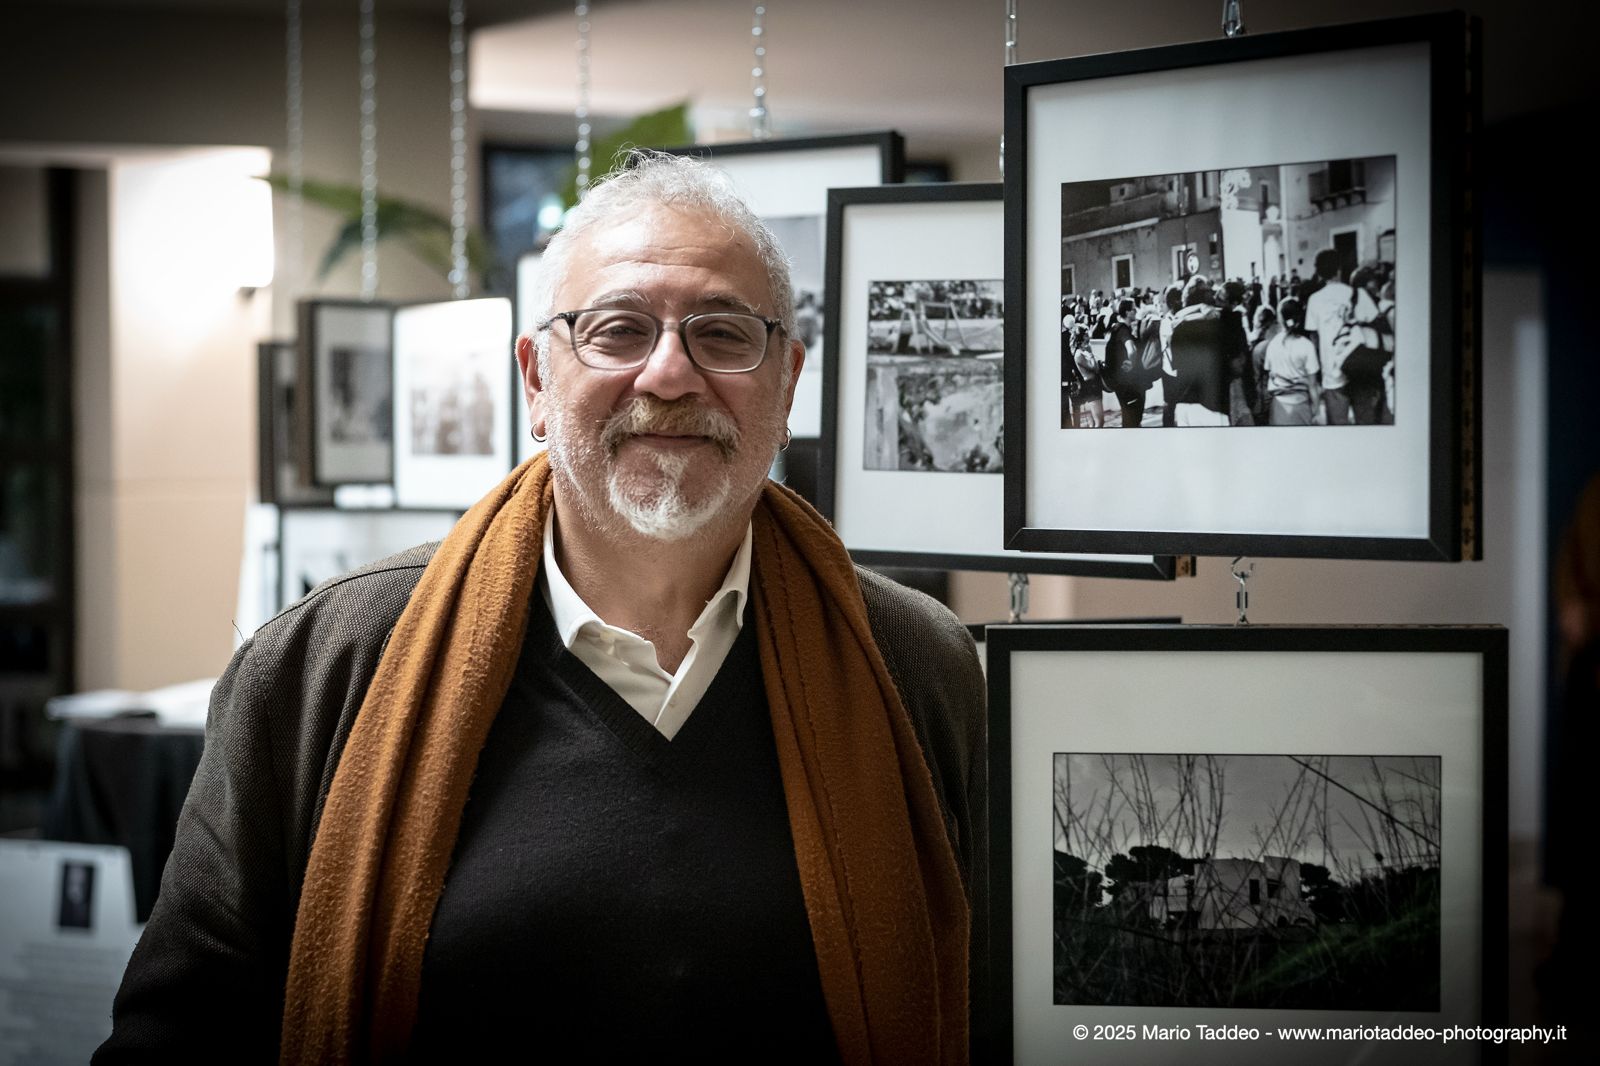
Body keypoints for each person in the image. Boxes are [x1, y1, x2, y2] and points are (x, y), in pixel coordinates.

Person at [98, 153, 982, 1065]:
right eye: (618, 330)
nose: (669, 374)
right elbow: (179, 1037)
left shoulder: (911, 662)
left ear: (788, 382)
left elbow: (995, 1005)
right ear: (535, 379)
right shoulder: (328, 660)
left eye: (722, 335)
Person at [1166, 275, 1234, 427]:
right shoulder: (1217, 323)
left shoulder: (1177, 324)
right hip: (1211, 403)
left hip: (1184, 402)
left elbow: (1174, 365)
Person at [1260, 296, 1322, 426]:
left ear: (1280, 319)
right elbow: (1312, 385)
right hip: (1301, 405)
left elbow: (1270, 375)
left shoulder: (1273, 344)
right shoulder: (1307, 345)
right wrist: (1316, 410)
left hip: (1278, 406)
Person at [1103, 297, 1144, 428]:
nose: (1136, 311)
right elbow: (1132, 350)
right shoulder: (1123, 330)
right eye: (1134, 309)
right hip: (1126, 383)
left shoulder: (1116, 328)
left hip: (1119, 382)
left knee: (1129, 416)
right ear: (1127, 312)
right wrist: (1131, 364)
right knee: (1133, 417)